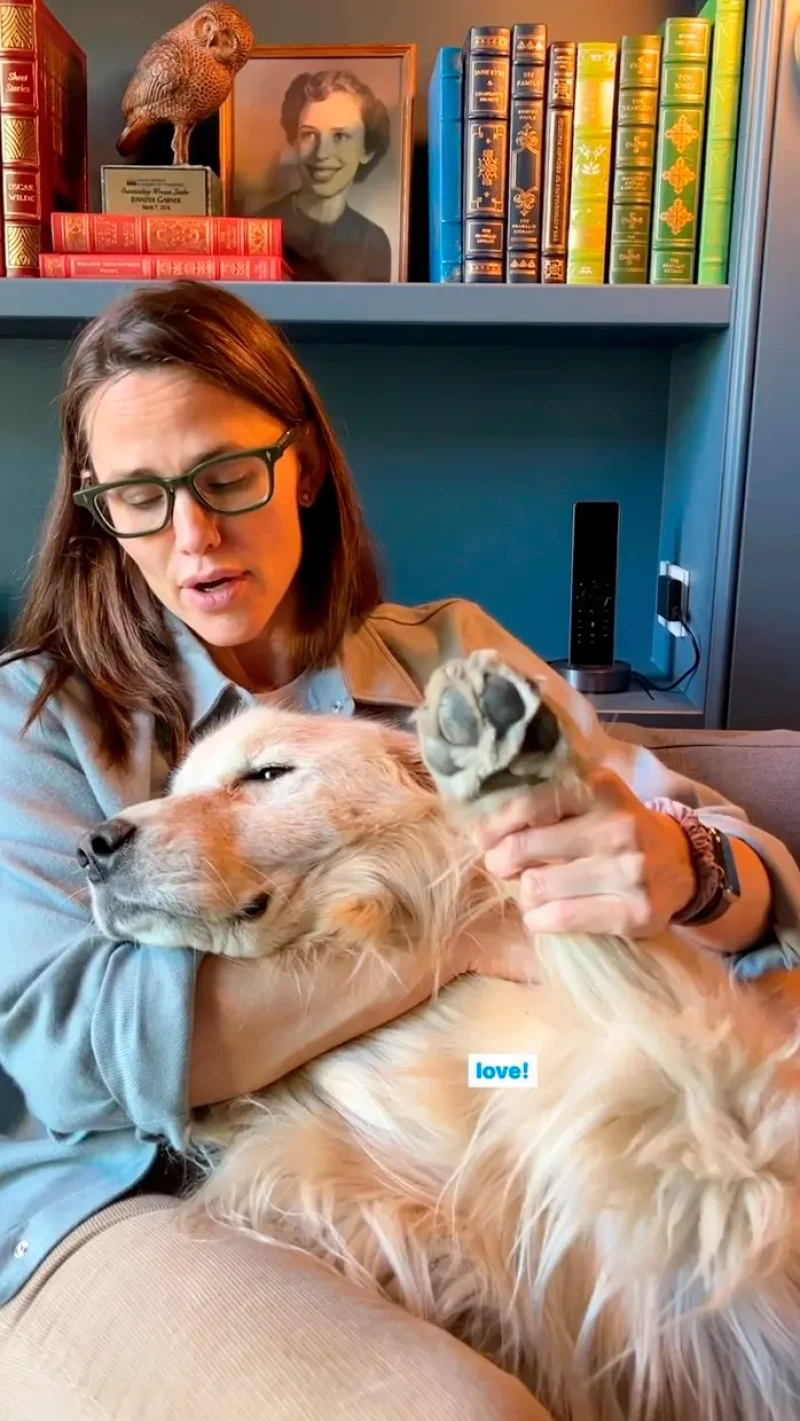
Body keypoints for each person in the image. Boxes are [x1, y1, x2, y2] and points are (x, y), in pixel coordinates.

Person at [0, 281, 798, 1421]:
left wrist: (679, 864)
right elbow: (75, 1057)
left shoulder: (448, 663)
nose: (193, 537)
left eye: (227, 475)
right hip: (115, 1195)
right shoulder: (34, 719)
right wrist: (462, 924)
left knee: (562, 1075)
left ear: (306, 466)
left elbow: (732, 860)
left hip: (472, 1084)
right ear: (99, 512)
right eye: (137, 495)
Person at [260, 68, 393, 282]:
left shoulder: (374, 243)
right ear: (294, 141)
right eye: (309, 134)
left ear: (366, 149)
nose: (322, 153)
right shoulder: (258, 228)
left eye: (340, 135)